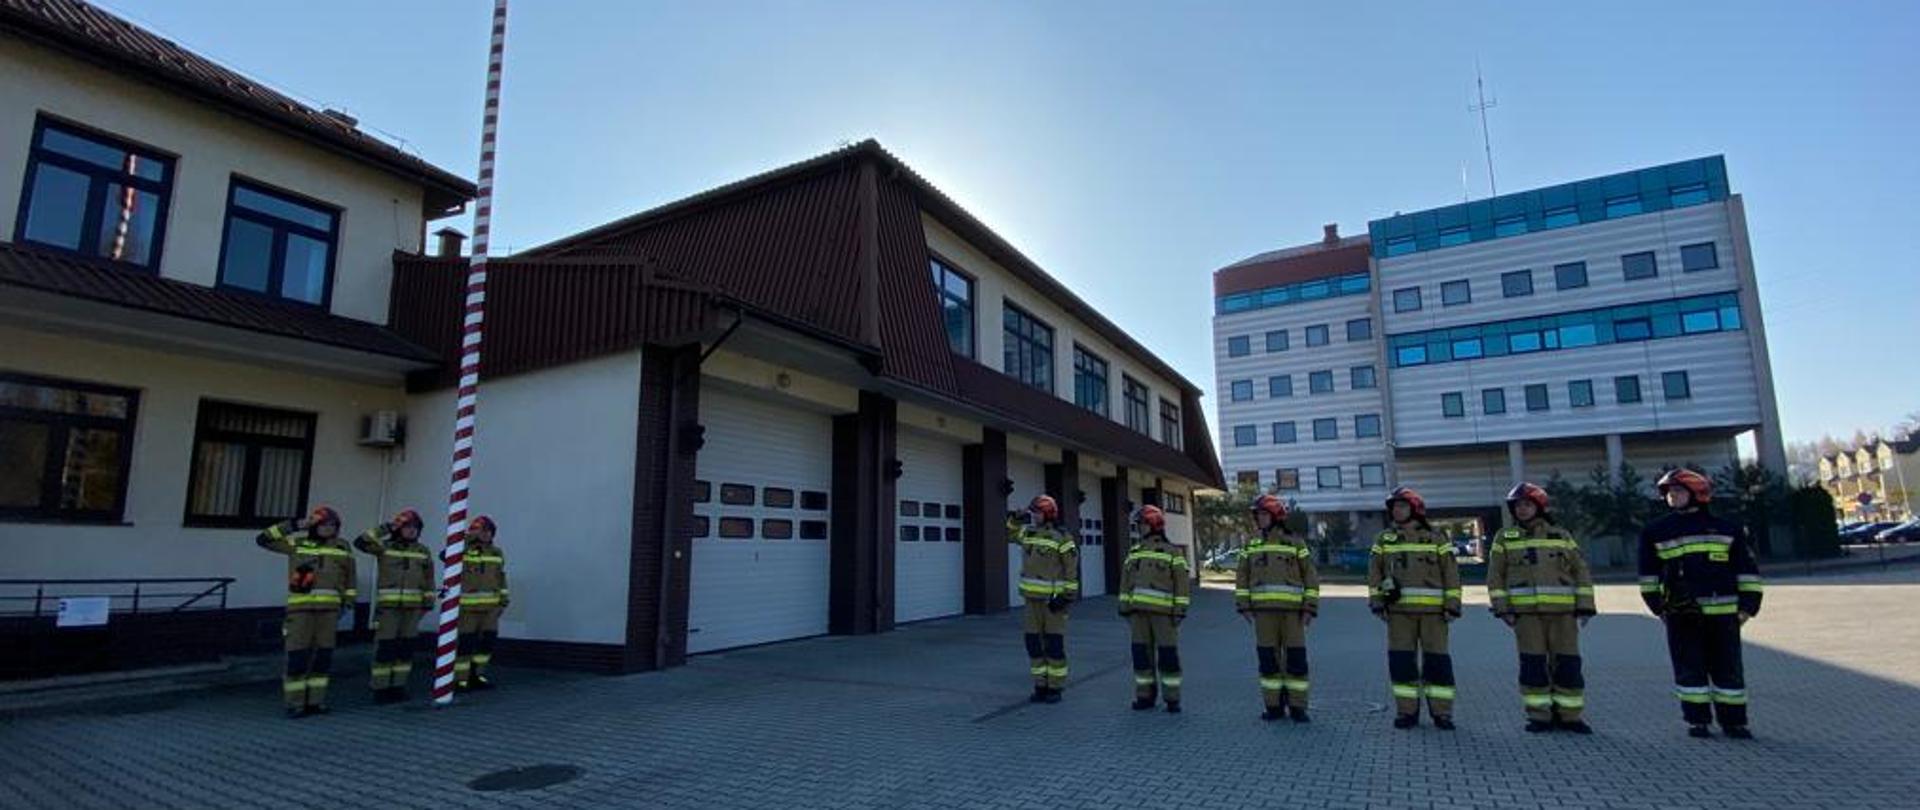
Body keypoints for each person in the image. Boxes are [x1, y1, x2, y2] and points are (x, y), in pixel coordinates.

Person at [1639, 468, 1763, 740]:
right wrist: (1659, 608)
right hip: (1682, 614)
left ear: (1698, 493)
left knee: (1728, 669)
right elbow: (1648, 577)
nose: (1672, 496)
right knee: (1689, 667)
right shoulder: (1656, 532)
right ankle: (1697, 721)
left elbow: (1747, 570)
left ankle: (1734, 722)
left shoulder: (1727, 529)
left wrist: (1748, 607)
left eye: (1678, 491)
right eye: (1669, 492)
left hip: (1725, 613)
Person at [1487, 483, 1596, 734]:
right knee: (1533, 665)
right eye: (1517, 506)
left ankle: (1570, 716)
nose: (1522, 510)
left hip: (1563, 614)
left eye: (1527, 504)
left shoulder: (1561, 536)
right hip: (1526, 616)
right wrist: (1503, 609)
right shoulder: (1505, 538)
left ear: (1539, 506)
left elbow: (1580, 570)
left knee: (1568, 664)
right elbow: (1495, 576)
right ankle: (1539, 716)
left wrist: (1585, 606)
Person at [1368, 486, 1461, 730]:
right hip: (1398, 614)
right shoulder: (1384, 539)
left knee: (1437, 664)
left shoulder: (1437, 537)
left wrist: (1452, 605)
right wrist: (1377, 602)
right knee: (1401, 664)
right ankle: (1406, 713)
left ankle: (1442, 714)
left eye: (1402, 506)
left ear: (1415, 509)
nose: (1397, 511)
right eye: (1394, 507)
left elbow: (1450, 573)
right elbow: (1375, 572)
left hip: (1434, 615)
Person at [256, 505, 357, 718]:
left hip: (329, 612)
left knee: (322, 657)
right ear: (314, 526)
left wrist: (347, 603)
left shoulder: (343, 547)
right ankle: (295, 704)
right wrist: (293, 525)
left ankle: (316, 702)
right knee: (297, 657)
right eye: (323, 524)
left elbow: (350, 579)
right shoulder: (297, 543)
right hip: (300, 611)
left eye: (332, 525)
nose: (328, 529)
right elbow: (264, 539)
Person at [1234, 494, 1318, 723]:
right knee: (1268, 661)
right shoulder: (1251, 545)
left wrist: (1309, 607)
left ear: (1276, 516)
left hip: (1293, 614)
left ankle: (1298, 708)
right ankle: (1273, 707)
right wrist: (1243, 606)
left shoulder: (1295, 544)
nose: (1259, 519)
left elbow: (1310, 576)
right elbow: (1242, 576)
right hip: (1263, 614)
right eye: (1257, 515)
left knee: (1296, 661)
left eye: (1263, 514)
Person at [354, 508, 436, 704]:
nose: (411, 531)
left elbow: (429, 579)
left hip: (413, 609)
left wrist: (428, 602)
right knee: (385, 648)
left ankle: (398, 686)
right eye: (407, 527)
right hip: (389, 609)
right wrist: (387, 528)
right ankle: (380, 688)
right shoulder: (384, 547)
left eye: (415, 528)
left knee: (405, 649)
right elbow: (361, 541)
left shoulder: (423, 551)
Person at [1117, 504, 1190, 713]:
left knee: (1168, 657)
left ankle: (1172, 699)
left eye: (1142, 524)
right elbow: (1125, 582)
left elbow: (1182, 585)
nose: (1139, 529)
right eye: (1138, 525)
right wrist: (1124, 607)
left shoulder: (1172, 552)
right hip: (1138, 615)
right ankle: (1144, 697)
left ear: (1154, 525)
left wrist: (1179, 611)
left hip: (1165, 616)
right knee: (1141, 658)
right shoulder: (1135, 552)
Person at [1011, 494, 1078, 703]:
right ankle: (1040, 685)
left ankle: (1055, 688)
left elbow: (1071, 570)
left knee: (1053, 645)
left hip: (1052, 602)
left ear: (1048, 513)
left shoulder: (1062, 537)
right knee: (1033, 644)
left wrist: (1067, 597)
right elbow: (1010, 534)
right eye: (1033, 512)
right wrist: (1016, 518)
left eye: (1037, 512)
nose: (1035, 516)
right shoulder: (1029, 532)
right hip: (1031, 601)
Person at [453, 515, 509, 691]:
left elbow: (501, 577)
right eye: (482, 531)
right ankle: (460, 679)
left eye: (488, 531)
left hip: (491, 609)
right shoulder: (463, 550)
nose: (485, 535)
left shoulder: (497, 553)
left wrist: (503, 601)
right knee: (465, 644)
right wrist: (470, 536)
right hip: (468, 609)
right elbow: (445, 555)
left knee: (486, 644)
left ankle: (477, 675)